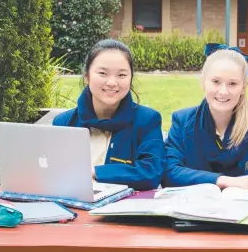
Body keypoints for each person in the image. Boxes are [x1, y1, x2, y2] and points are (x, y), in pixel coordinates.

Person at [163, 43, 248, 191]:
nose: (223, 91)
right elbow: (169, 172)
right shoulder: (183, 121)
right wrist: (225, 181)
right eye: (216, 82)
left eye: (232, 84)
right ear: (203, 82)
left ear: (243, 87)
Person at [53, 39, 165, 190]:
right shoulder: (63, 123)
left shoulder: (147, 120)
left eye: (122, 75)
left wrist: (95, 172)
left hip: (124, 210)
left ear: (131, 78)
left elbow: (151, 173)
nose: (112, 82)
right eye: (103, 73)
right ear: (87, 76)